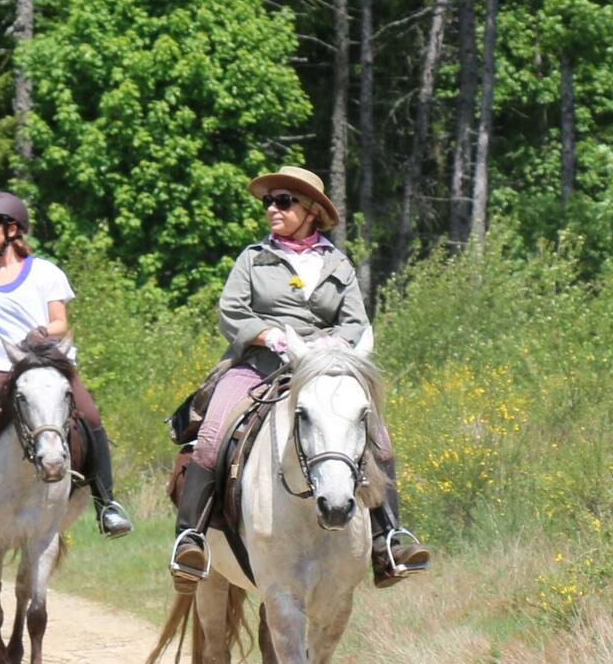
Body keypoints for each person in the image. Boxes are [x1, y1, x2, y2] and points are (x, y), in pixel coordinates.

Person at [167, 167, 429, 587]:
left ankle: (389, 538)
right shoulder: (253, 258)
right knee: (214, 432)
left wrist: (331, 348)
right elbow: (232, 312)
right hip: (259, 366)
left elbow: (355, 322)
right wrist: (269, 335)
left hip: (323, 368)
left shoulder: (336, 263)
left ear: (310, 211)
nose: (272, 208)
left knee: (376, 434)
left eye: (284, 201)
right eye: (269, 201)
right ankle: (190, 539)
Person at [0, 192, 132, 543]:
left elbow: (59, 323)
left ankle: (106, 503)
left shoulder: (45, 272)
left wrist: (42, 332)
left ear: (12, 229)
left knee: (91, 417)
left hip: (43, 363)